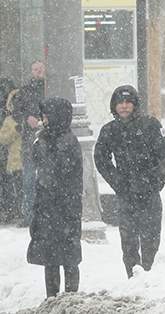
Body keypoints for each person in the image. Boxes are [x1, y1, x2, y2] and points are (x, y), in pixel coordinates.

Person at [94, 86, 165, 278]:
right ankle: (133, 277)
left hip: (150, 193)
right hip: (126, 194)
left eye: (127, 102)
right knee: (128, 240)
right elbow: (101, 158)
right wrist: (118, 182)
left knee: (151, 238)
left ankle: (149, 273)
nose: (123, 106)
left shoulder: (151, 125)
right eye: (119, 103)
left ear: (135, 104)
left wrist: (156, 182)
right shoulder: (109, 130)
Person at [27, 97, 81, 297]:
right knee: (55, 256)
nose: (43, 120)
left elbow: (53, 173)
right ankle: (55, 297)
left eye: (46, 116)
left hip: (62, 207)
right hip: (53, 207)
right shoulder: (47, 138)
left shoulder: (64, 141)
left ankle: (67, 297)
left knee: (65, 256)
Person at [13, 61, 45, 226]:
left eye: (41, 69)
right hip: (29, 140)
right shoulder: (24, 90)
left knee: (46, 179)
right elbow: (16, 111)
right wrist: (27, 118)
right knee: (29, 179)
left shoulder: (50, 87)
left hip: (48, 139)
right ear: (31, 71)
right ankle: (30, 216)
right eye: (35, 69)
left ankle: (45, 215)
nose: (38, 72)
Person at [0, 89, 24, 224]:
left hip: (28, 160)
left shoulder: (29, 117)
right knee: (17, 189)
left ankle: (24, 212)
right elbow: (2, 139)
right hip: (15, 161)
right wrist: (15, 130)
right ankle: (17, 212)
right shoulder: (9, 120)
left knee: (25, 189)